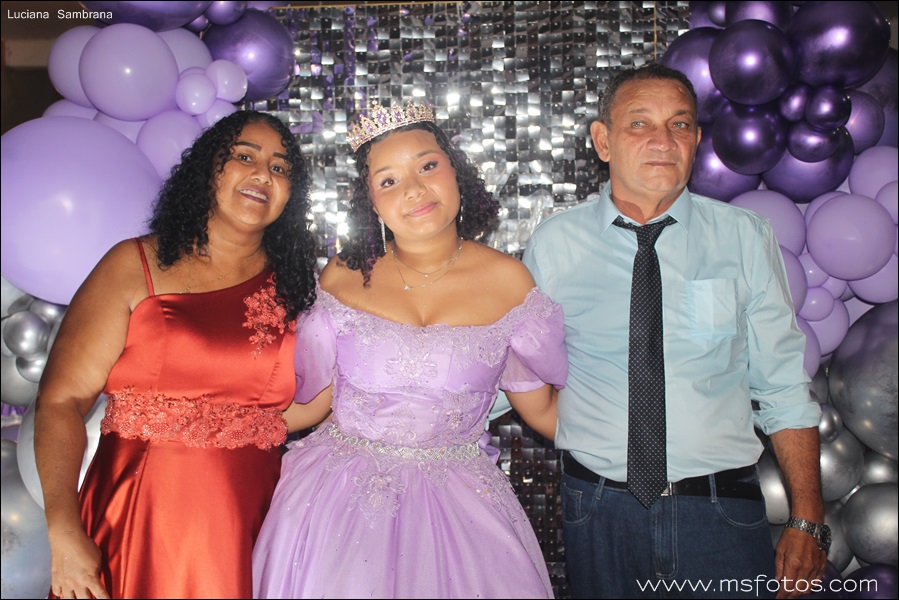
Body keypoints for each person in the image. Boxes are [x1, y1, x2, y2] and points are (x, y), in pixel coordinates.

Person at [522, 63, 826, 599]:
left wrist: (808, 518)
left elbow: (782, 384)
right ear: (603, 141)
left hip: (721, 511)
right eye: (640, 123)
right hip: (598, 512)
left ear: (697, 140)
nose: (663, 140)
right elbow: (517, 369)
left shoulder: (743, 238)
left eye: (680, 124)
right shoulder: (554, 246)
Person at [252, 101, 567, 598]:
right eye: (389, 180)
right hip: (334, 501)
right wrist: (222, 423)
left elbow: (543, 410)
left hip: (459, 506)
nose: (414, 190)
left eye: (427, 166)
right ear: (372, 203)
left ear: (456, 172)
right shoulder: (343, 276)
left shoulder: (509, 281)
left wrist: (642, 443)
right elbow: (314, 402)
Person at [34, 110, 317, 599]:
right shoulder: (135, 263)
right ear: (208, 169)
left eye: (279, 167)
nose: (262, 175)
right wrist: (62, 529)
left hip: (253, 523)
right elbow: (61, 401)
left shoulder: (297, 287)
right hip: (142, 515)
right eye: (245, 157)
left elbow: (289, 410)